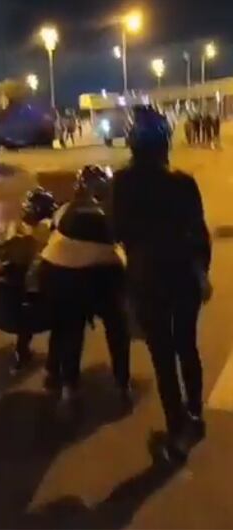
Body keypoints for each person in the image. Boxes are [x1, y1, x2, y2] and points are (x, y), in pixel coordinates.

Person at [112, 106, 210, 463]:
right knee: (188, 345)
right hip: (184, 276)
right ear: (165, 143)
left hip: (147, 279)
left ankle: (177, 428)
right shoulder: (183, 183)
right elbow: (200, 235)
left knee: (163, 358)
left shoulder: (122, 183)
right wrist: (203, 273)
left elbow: (117, 232)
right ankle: (195, 411)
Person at [38, 166, 130, 405]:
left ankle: (65, 382)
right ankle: (122, 382)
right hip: (96, 274)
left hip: (54, 270)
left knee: (68, 325)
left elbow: (50, 233)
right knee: (117, 325)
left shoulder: (65, 209)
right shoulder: (110, 213)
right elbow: (121, 245)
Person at [0, 188, 56, 373]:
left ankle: (25, 352)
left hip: (28, 289)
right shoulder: (37, 230)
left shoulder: (37, 230)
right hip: (33, 289)